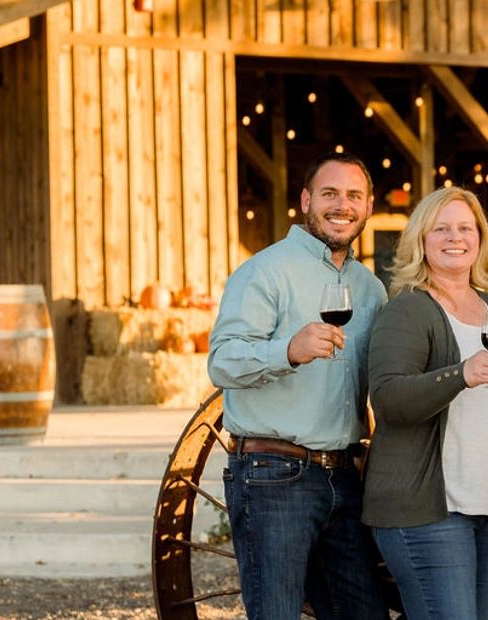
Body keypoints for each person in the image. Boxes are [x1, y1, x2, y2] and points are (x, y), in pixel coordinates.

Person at [208, 152, 389, 619]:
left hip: (345, 478)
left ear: (368, 206)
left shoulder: (371, 289)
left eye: (354, 196)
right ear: (306, 200)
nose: (342, 206)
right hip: (274, 474)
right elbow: (222, 362)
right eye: (329, 194)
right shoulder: (266, 271)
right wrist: (287, 350)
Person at [362, 187, 488, 620]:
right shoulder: (408, 309)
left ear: (480, 238)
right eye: (440, 229)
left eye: (464, 227)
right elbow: (388, 399)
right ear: (421, 240)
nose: (454, 237)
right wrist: (459, 374)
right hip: (430, 510)